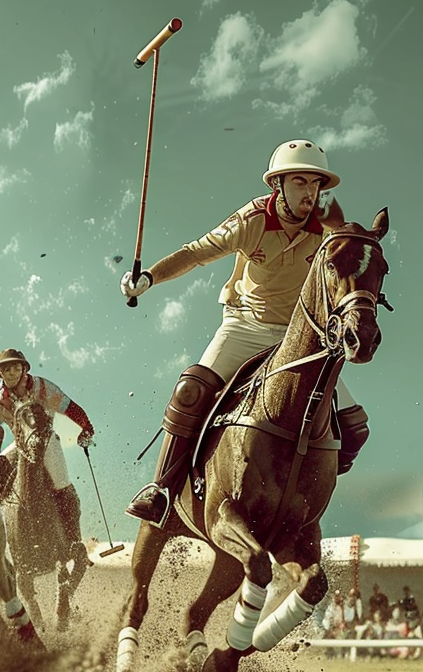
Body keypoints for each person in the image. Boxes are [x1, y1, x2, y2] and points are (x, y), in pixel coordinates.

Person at [121, 139, 369, 525]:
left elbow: (351, 262)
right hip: (245, 324)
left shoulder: (328, 221)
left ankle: (301, 494)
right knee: (190, 391)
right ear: (278, 186)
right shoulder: (252, 218)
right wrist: (150, 277)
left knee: (355, 427)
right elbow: (195, 253)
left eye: (316, 184)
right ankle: (162, 490)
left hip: (299, 337)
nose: (310, 192)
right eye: (300, 182)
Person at [0, 348, 96, 545]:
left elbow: (70, 408)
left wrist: (86, 427)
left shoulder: (43, 387)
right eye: (5, 369)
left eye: (15, 368)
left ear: (24, 369)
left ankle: (75, 542)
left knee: (62, 485)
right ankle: (2, 543)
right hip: (20, 446)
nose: (10, 373)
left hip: (47, 441)